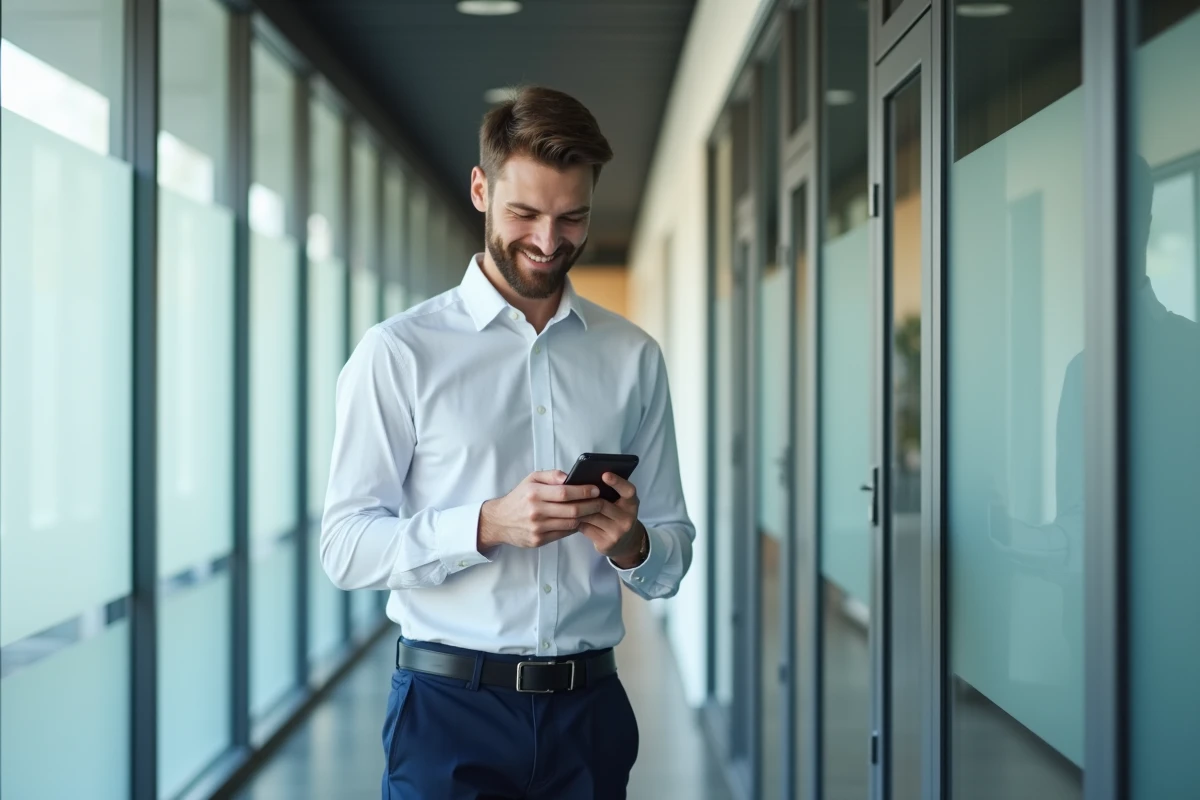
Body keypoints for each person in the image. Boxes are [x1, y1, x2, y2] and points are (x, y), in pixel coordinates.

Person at [320, 85, 695, 799]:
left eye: (572, 217)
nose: (549, 242)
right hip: (447, 713)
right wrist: (487, 524)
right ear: (480, 190)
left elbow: (671, 552)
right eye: (525, 213)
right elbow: (344, 547)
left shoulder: (632, 356)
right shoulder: (399, 353)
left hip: (590, 716)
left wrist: (632, 544)